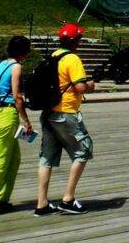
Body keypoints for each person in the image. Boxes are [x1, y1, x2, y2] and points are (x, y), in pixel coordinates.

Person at [35, 23, 96, 216]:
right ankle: (68, 199)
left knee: (47, 158)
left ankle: (42, 203)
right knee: (84, 151)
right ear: (75, 41)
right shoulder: (72, 58)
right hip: (66, 112)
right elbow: (79, 88)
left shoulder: (53, 56)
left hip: (48, 113)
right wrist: (91, 85)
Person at [0, 36, 34, 216]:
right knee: (0, 161)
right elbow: (17, 96)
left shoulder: (2, 64)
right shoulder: (17, 67)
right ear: (24, 52)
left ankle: (2, 198)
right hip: (8, 115)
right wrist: (26, 120)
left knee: (14, 159)